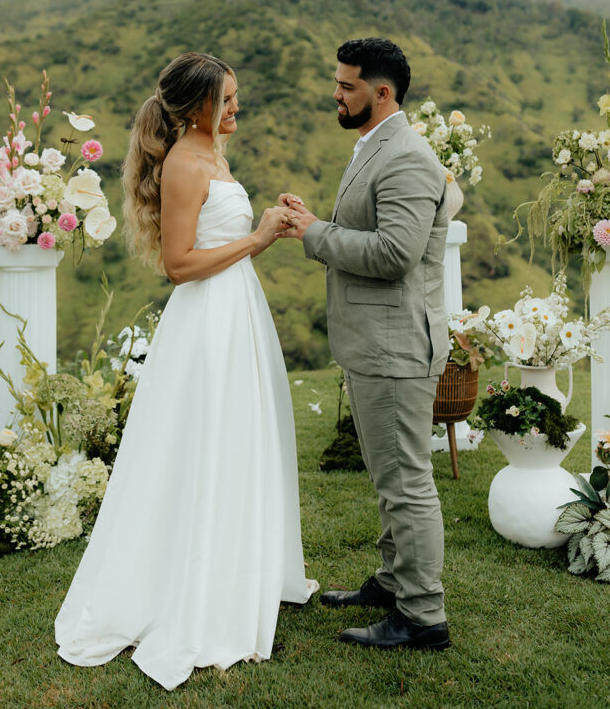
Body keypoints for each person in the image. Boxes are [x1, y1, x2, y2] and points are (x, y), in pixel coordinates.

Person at [55, 51, 317, 689]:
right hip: (206, 321)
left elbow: (216, 236)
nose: (236, 108)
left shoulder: (215, 155)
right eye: (226, 99)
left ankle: (237, 564)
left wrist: (269, 225)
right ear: (197, 106)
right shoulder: (182, 163)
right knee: (206, 445)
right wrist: (257, 239)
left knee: (240, 442)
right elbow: (178, 264)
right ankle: (194, 587)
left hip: (238, 311)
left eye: (235, 97)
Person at [279, 36, 450, 651]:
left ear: (382, 93)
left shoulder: (407, 156)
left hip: (395, 344)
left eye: (347, 85)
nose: (337, 93)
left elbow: (394, 254)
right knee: (389, 475)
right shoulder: (376, 144)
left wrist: (313, 232)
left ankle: (422, 615)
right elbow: (370, 225)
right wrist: (318, 221)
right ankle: (393, 581)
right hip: (376, 340)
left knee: (406, 479)